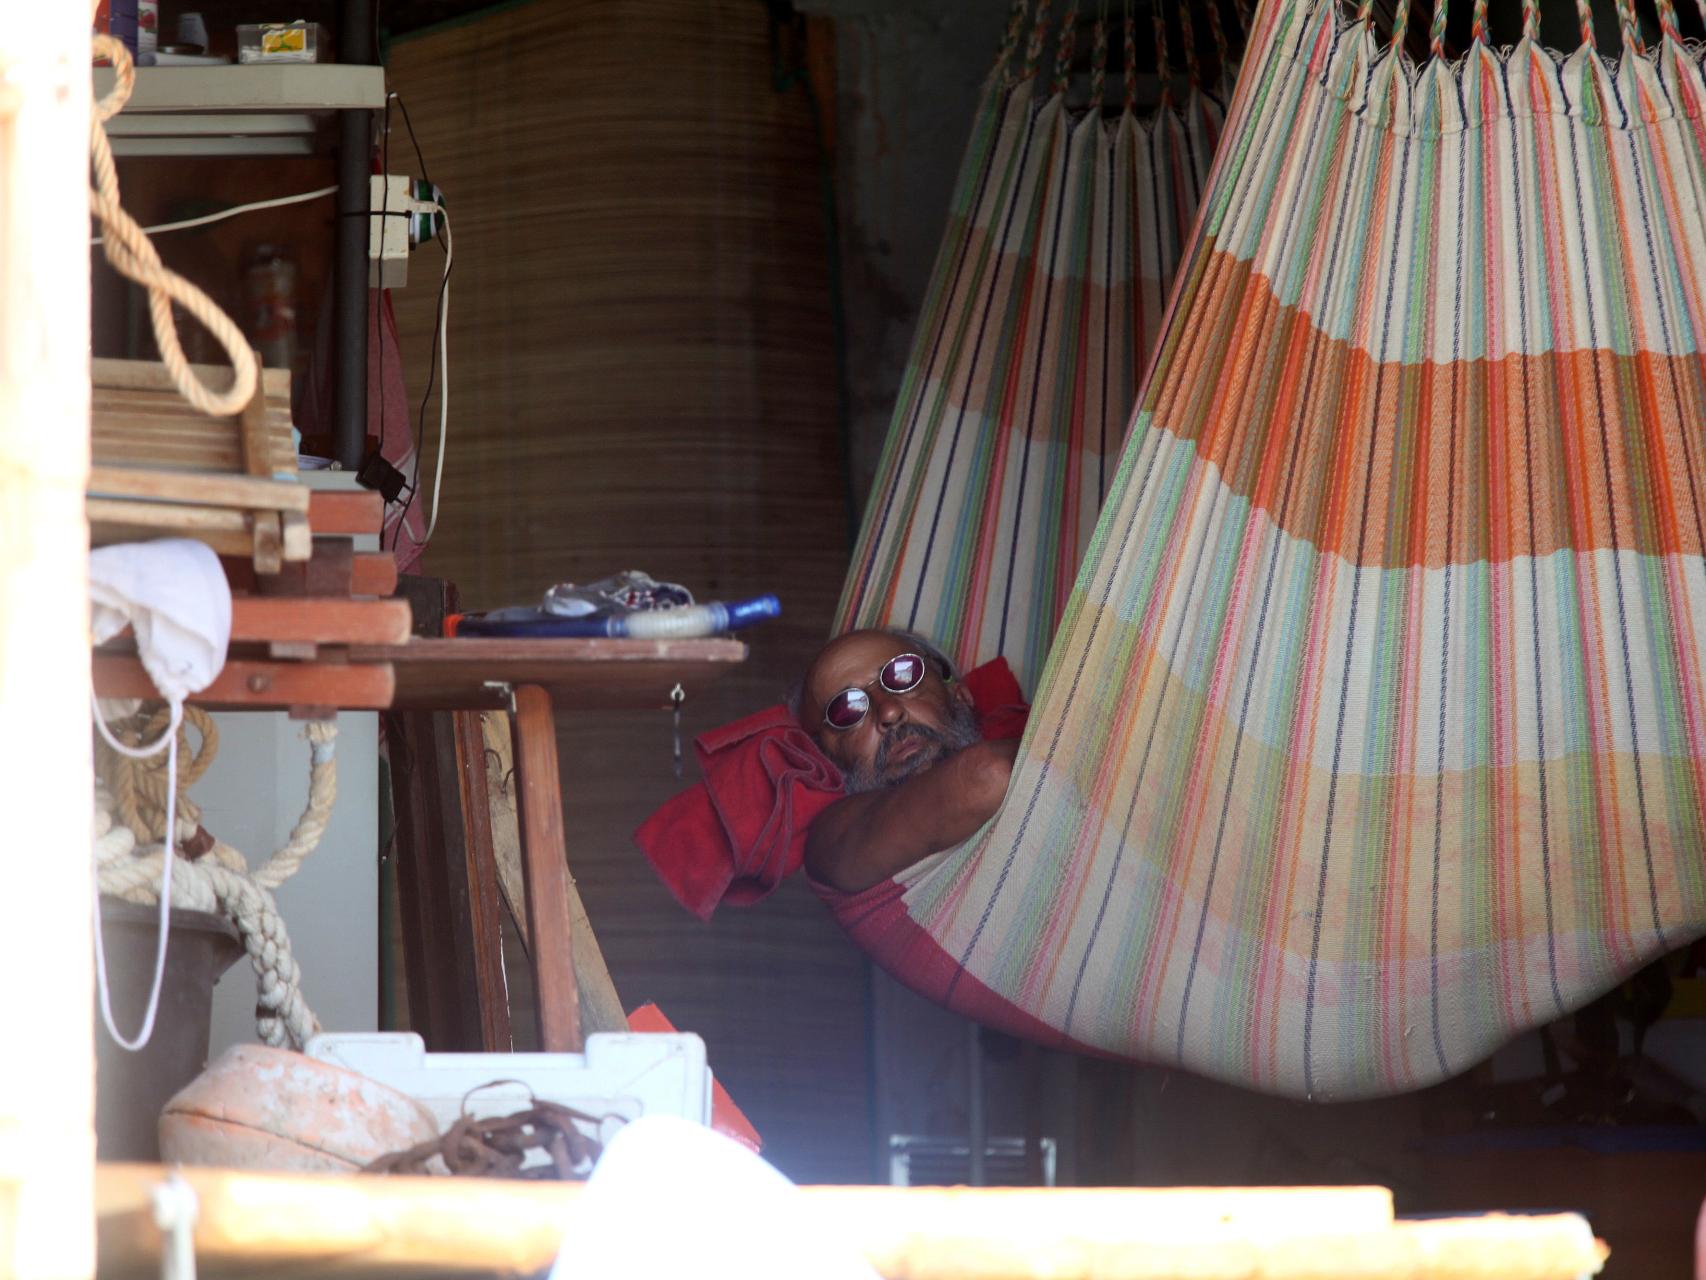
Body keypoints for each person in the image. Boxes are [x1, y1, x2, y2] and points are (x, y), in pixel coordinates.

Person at [793, 629, 1021, 894]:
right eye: (847, 709)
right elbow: (988, 775)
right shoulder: (831, 840)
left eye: (904, 675)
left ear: (959, 695)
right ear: (828, 760)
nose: (889, 711)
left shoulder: (1021, 726)